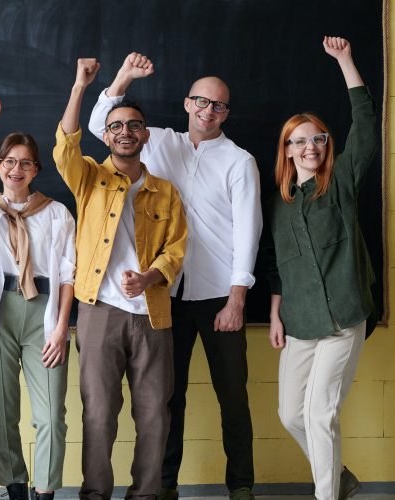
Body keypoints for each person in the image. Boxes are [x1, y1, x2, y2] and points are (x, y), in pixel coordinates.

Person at [88, 53, 262, 500]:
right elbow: (98, 126)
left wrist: (237, 300)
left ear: (226, 112)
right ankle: (164, 487)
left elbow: (250, 232)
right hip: (163, 296)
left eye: (219, 105)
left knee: (232, 398)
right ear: (187, 103)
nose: (209, 110)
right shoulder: (157, 141)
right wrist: (122, 80)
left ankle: (241, 485)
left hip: (219, 295)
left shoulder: (240, 161)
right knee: (167, 401)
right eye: (202, 101)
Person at [56, 58, 186, 500]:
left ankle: (146, 494)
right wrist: (79, 87)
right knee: (99, 412)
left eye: (134, 125)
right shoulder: (88, 177)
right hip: (99, 312)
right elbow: (64, 148)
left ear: (145, 134)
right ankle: (95, 494)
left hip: (152, 314)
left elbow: (177, 249)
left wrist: (150, 276)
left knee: (154, 414)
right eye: (116, 127)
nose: (125, 132)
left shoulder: (165, 191)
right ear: (106, 135)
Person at [268, 36, 377, 500]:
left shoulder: (343, 183)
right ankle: (341, 478)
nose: (310, 146)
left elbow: (366, 124)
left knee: (320, 414)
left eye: (318, 138)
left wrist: (346, 61)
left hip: (343, 320)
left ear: (326, 145)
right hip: (300, 324)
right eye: (300, 141)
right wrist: (275, 314)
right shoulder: (278, 206)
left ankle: (327, 495)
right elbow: (276, 264)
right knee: (292, 414)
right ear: (287, 150)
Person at [0, 99, 76, 500]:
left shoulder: (57, 213)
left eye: (26, 163)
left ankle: (45, 492)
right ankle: (15, 489)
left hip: (44, 313)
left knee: (51, 416)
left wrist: (61, 327)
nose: (16, 169)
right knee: (4, 413)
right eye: (9, 161)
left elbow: (68, 274)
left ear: (36, 170)